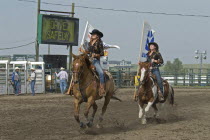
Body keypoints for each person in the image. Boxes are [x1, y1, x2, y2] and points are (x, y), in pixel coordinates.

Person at [79, 29, 106, 96]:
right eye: (92, 34)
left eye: (93, 34)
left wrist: (96, 55)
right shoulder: (89, 43)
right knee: (78, 68)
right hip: (88, 59)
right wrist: (82, 51)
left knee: (101, 73)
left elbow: (102, 53)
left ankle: (102, 87)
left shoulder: (100, 43)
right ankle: (74, 85)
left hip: (95, 61)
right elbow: (87, 52)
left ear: (97, 36)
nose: (92, 35)